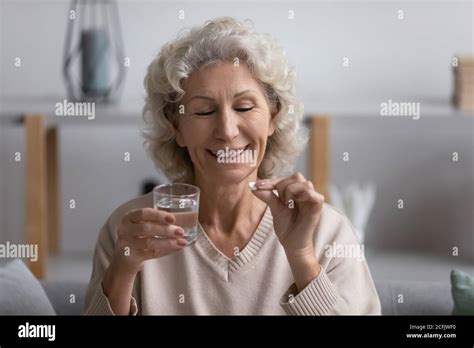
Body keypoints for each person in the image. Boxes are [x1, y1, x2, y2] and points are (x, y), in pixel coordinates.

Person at [84, 17, 381, 315]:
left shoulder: (329, 233)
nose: (227, 130)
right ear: (176, 127)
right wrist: (122, 271)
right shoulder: (130, 230)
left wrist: (301, 256)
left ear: (273, 117)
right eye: (203, 111)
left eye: (244, 107)